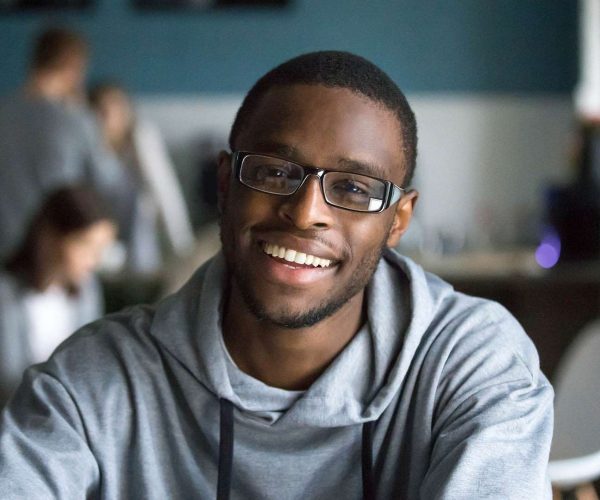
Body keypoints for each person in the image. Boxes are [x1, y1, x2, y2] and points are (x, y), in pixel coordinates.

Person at [0, 52, 553, 498]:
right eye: (274, 172)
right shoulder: (91, 383)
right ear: (225, 183)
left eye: (354, 189)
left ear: (398, 221)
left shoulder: (474, 365)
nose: (305, 210)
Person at [0, 27, 132, 262]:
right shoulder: (77, 121)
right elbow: (112, 182)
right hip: (57, 256)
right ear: (75, 68)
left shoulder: (3, 113)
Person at [0, 186, 117, 407]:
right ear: (50, 237)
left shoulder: (87, 292)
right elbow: (7, 381)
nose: (94, 260)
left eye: (100, 249)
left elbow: (88, 362)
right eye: (85, 245)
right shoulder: (6, 296)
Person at [89, 82, 195, 272]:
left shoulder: (142, 138)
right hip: (102, 227)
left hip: (140, 227)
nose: (108, 118)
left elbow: (164, 190)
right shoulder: (89, 146)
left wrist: (181, 245)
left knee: (141, 204)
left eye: (115, 109)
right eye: (102, 111)